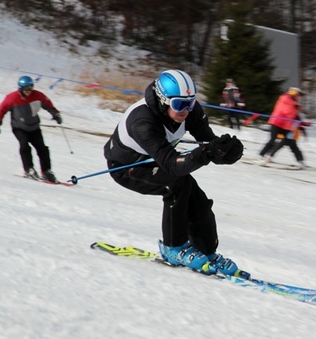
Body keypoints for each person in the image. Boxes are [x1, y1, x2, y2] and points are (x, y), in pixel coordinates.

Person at [103, 69, 245, 277]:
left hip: (156, 160)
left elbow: (207, 143)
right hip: (126, 167)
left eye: (190, 103)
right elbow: (172, 165)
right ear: (163, 101)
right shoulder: (142, 122)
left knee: (197, 197)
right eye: (179, 105)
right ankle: (173, 247)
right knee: (177, 185)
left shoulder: (189, 110)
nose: (186, 111)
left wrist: (224, 152)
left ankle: (207, 251)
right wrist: (206, 153)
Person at [0, 75, 62, 183]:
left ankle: (46, 171)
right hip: (19, 127)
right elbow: (1, 110)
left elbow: (48, 104)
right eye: (26, 89)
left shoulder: (37, 95)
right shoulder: (12, 98)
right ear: (20, 88)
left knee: (42, 149)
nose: (29, 92)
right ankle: (28, 169)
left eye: (31, 88)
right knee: (24, 146)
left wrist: (55, 114)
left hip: (34, 127)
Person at [257, 87, 306, 167]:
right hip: (277, 123)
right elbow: (286, 109)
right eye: (299, 95)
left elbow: (294, 116)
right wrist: (296, 106)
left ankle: (300, 160)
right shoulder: (285, 98)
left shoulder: (295, 104)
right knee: (272, 140)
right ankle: (260, 155)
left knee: (292, 142)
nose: (300, 98)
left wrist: (302, 124)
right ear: (294, 94)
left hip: (286, 126)